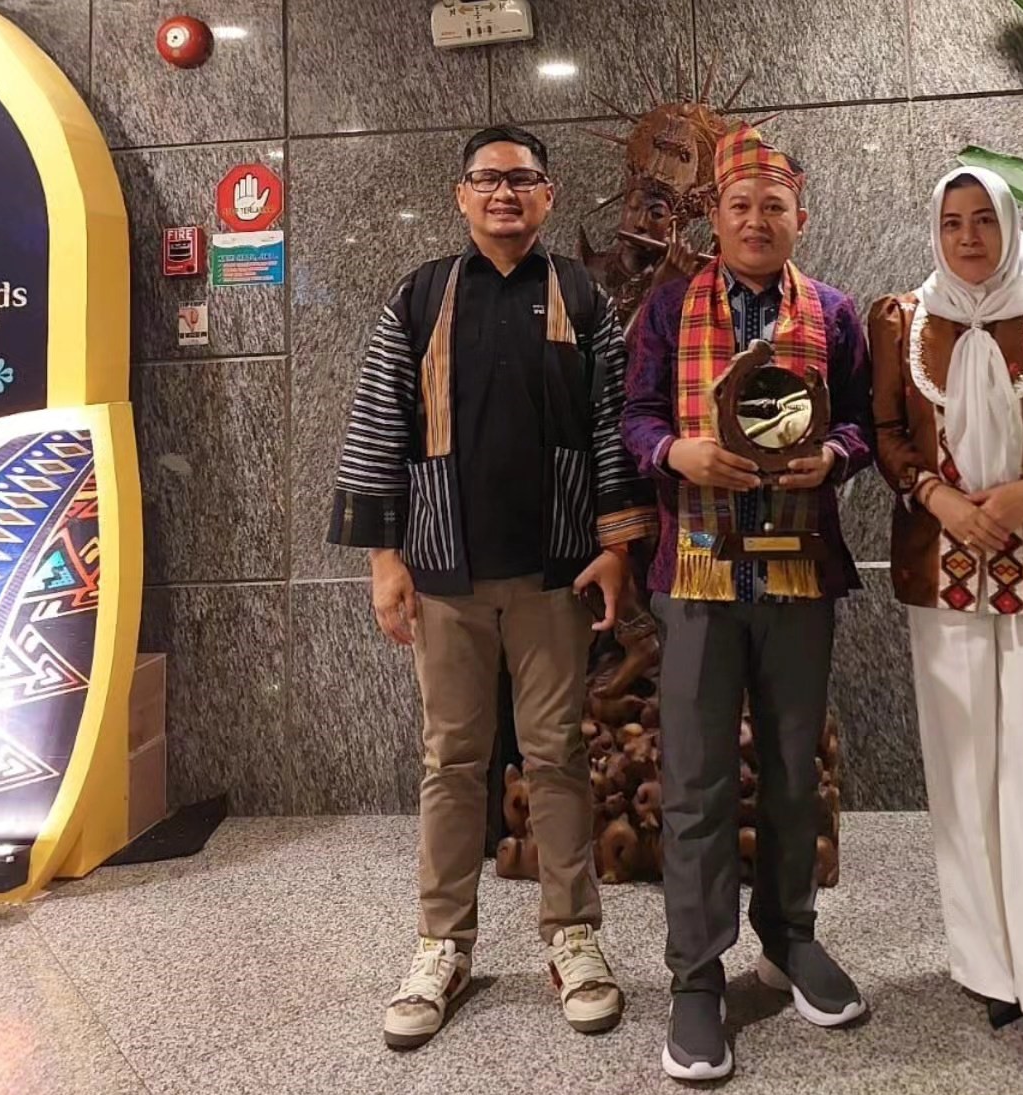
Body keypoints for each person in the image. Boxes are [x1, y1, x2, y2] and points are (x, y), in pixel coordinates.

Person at [327, 124, 656, 1050]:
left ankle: (573, 935)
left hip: (554, 568)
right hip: (444, 571)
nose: (504, 193)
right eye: (487, 179)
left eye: (522, 179)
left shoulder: (582, 296)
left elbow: (610, 425)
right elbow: (378, 421)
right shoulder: (420, 295)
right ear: (461, 196)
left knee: (556, 754)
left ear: (549, 196)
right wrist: (384, 558)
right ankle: (442, 943)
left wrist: (616, 547)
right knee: (451, 760)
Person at [623, 124, 874, 1083]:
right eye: (740, 206)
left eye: (774, 206)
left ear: (799, 216)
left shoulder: (834, 313)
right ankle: (697, 976)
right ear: (715, 217)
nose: (757, 220)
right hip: (696, 572)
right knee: (694, 780)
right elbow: (635, 417)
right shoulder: (668, 307)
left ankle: (789, 938)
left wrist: (833, 456)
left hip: (797, 572)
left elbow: (861, 419)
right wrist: (676, 453)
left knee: (793, 769)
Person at [868, 165, 1023, 1082]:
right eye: (952, 222)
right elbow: (887, 431)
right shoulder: (901, 320)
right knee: (962, 766)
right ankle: (992, 964)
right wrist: (937, 497)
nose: (968, 238)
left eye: (983, 221)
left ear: (1008, 227)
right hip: (941, 567)